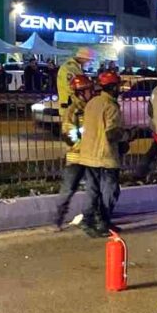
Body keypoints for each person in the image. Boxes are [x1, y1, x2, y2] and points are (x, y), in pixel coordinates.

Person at [75, 71, 133, 237]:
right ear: (113, 87)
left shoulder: (93, 102)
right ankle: (103, 222)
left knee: (93, 191)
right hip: (105, 157)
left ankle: (88, 221)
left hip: (88, 154)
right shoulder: (111, 106)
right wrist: (128, 135)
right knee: (110, 192)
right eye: (118, 86)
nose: (120, 90)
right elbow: (111, 133)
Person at [54, 74, 98, 230]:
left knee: (94, 190)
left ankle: (90, 219)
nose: (91, 93)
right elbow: (70, 136)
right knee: (68, 190)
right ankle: (58, 218)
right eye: (88, 90)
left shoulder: (92, 108)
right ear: (80, 92)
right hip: (76, 158)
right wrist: (86, 143)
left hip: (91, 156)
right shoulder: (72, 111)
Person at [56, 47, 96, 126]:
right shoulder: (69, 68)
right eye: (90, 61)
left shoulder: (75, 68)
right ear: (83, 58)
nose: (91, 63)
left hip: (75, 107)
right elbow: (73, 88)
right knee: (73, 134)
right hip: (70, 108)